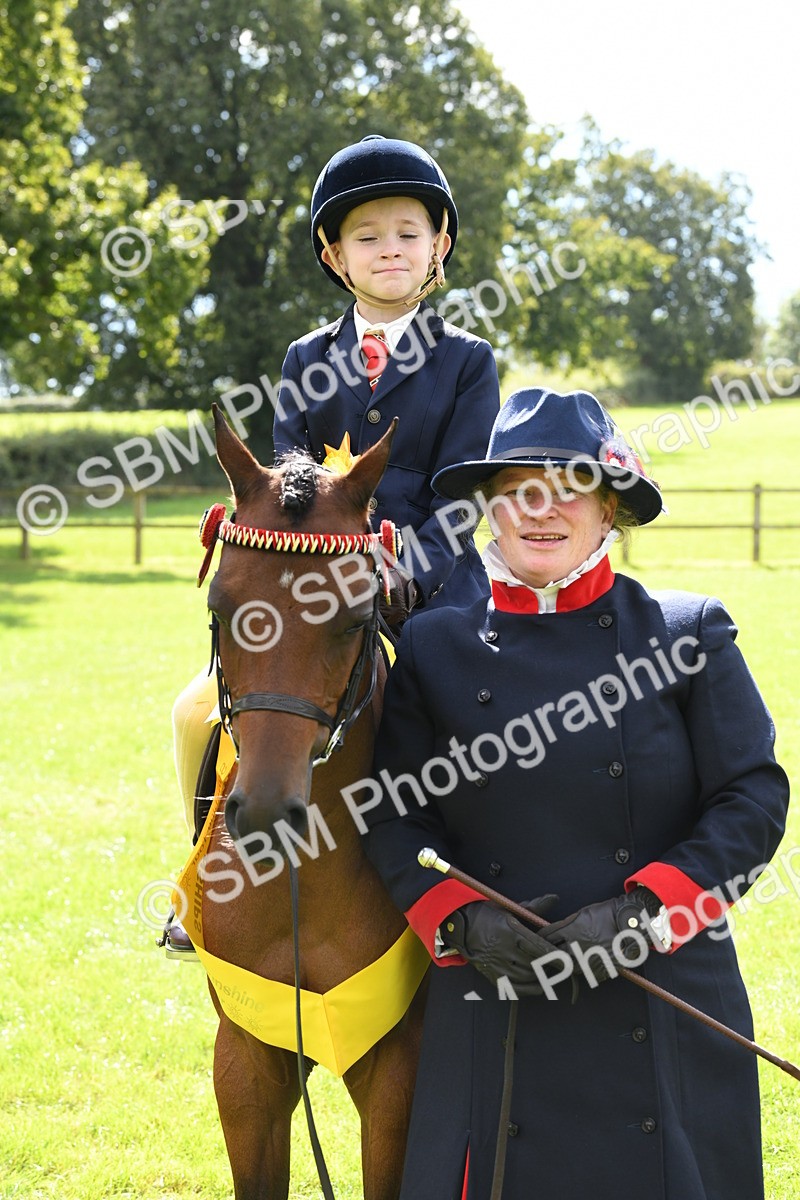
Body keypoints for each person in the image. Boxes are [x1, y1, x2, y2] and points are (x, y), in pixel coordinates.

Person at [361, 387, 790, 1200]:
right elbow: (389, 809)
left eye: (570, 488)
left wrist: (644, 915)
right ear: (489, 509)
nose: (541, 511)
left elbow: (752, 800)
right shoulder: (429, 644)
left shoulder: (689, 632)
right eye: (518, 490)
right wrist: (458, 918)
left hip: (660, 991)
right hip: (495, 997)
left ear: (610, 510)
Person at [164, 134, 499, 954]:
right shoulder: (305, 358)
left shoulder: (466, 361)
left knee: (476, 716)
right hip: (313, 580)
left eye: (408, 233)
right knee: (197, 711)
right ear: (334, 254)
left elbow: (461, 500)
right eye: (367, 236)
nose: (390, 249)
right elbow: (284, 482)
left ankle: (487, 877)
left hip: (432, 583)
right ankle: (202, 875)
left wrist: (398, 572)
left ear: (439, 247)